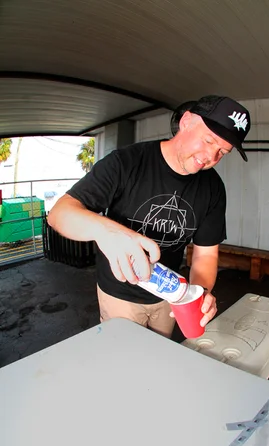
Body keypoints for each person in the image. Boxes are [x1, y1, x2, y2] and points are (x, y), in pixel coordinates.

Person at [48, 95, 251, 338]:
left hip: (171, 296)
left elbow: (205, 253)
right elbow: (59, 213)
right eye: (208, 140)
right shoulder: (126, 162)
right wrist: (105, 230)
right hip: (119, 294)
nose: (211, 157)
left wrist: (198, 293)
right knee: (123, 363)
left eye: (222, 152)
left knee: (158, 361)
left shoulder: (213, 188)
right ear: (186, 121)